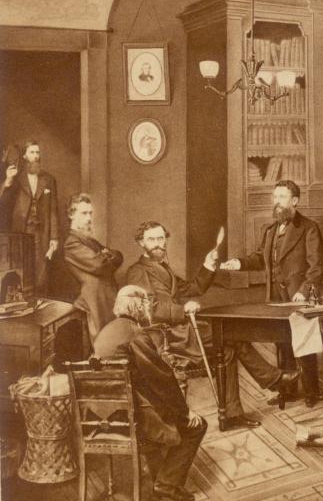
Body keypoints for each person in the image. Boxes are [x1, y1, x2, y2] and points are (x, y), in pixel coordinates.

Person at [124, 220, 295, 431]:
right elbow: (149, 309)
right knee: (229, 337)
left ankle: (233, 414)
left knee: (229, 345)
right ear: (141, 243)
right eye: (151, 239)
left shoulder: (163, 269)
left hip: (180, 332)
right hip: (164, 338)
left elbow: (193, 288)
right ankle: (272, 380)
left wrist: (208, 265)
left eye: (161, 238)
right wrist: (183, 309)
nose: (158, 244)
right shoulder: (138, 271)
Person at [93, 286, 206, 501]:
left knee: (163, 412)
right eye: (146, 304)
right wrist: (185, 411)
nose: (148, 309)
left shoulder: (106, 331)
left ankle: (160, 479)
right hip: (131, 415)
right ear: (138, 306)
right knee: (196, 426)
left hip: (103, 414)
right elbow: (161, 379)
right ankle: (166, 485)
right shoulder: (135, 333)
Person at [220, 180, 323, 407]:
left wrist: (304, 292)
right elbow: (260, 258)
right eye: (275, 197)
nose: (276, 202)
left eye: (282, 197)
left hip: (299, 297)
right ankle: (286, 389)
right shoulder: (270, 230)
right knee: (282, 343)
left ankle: (311, 392)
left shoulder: (309, 228)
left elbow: (317, 267)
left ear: (295, 201)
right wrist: (238, 263)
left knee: (302, 343)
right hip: (275, 297)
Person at [1, 141, 61, 291]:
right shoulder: (16, 177)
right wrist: (8, 180)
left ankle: (41, 305)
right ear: (25, 156)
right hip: (20, 231)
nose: (35, 156)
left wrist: (54, 237)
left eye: (37, 153)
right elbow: (3, 201)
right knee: (21, 270)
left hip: (41, 232)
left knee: (41, 273)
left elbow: (53, 210)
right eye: (32, 152)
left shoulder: (49, 179)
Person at [63, 193, 123, 339]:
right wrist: (107, 255)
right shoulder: (72, 243)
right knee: (102, 346)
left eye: (90, 213)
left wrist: (108, 254)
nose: (89, 218)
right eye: (84, 213)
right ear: (72, 215)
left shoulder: (90, 241)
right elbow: (99, 265)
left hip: (106, 300)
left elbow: (118, 256)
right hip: (94, 303)